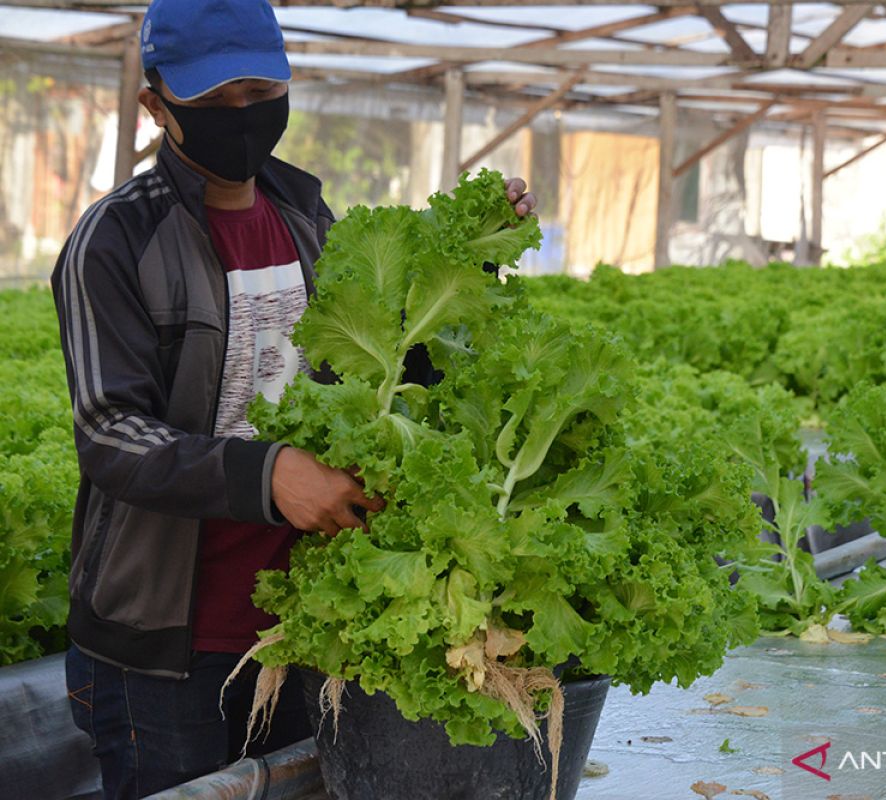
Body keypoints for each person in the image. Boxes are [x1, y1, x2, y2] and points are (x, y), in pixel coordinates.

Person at [52, 1, 536, 797]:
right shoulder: (115, 241)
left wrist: (466, 272)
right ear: (156, 104)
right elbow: (111, 434)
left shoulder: (309, 221)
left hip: (309, 625)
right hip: (166, 649)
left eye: (259, 93)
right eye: (213, 104)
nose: (241, 119)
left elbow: (386, 374)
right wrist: (268, 476)